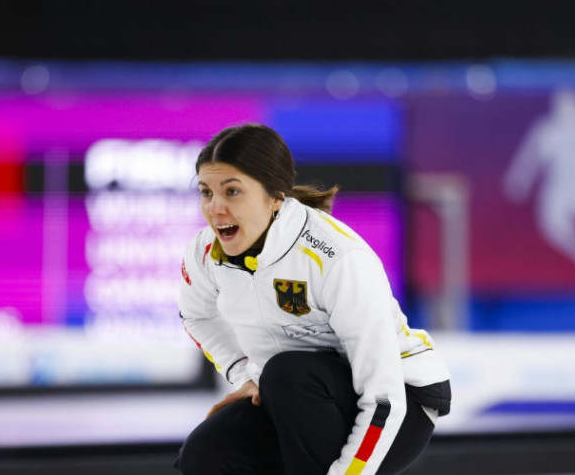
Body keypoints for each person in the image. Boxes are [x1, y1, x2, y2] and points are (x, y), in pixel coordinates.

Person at [176, 123, 451, 475]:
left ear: (275, 196)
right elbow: (197, 316)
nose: (215, 209)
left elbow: (384, 399)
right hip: (292, 392)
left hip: (401, 402)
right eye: (205, 192)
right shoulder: (203, 252)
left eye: (232, 192)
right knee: (206, 454)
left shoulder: (337, 257)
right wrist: (243, 373)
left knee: (288, 374)